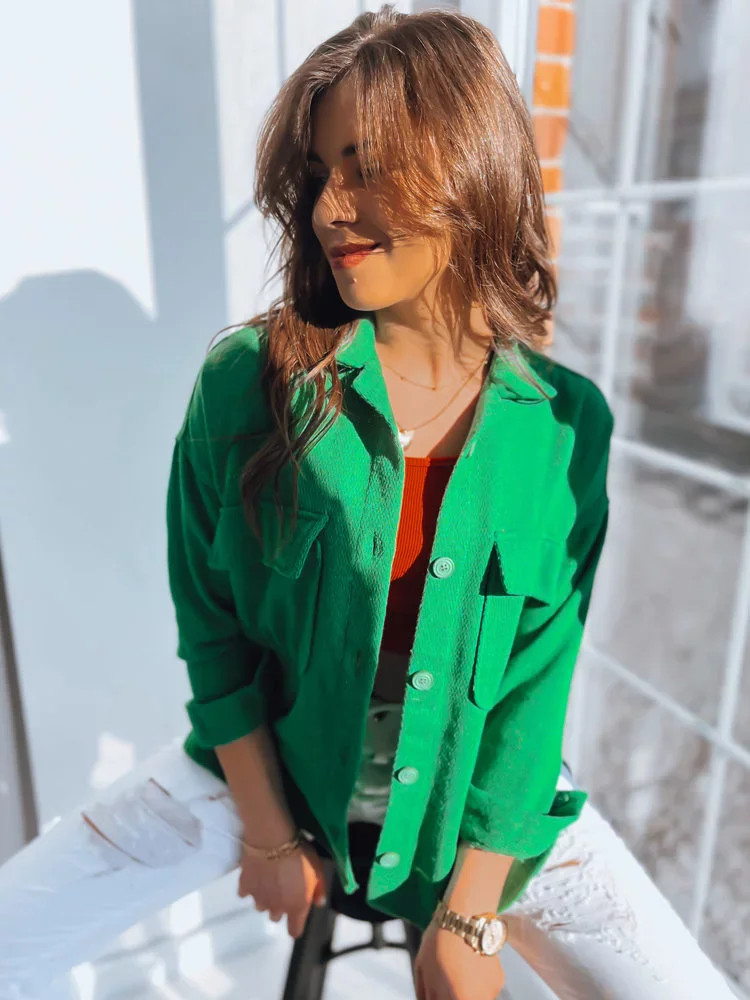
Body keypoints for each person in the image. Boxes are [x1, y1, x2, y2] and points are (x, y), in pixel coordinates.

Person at [0, 6, 737, 1000]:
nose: (328, 209)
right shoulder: (249, 383)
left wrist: (469, 912)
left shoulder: (567, 428)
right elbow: (212, 627)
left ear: (469, 164)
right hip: (273, 763)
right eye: (318, 173)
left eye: (367, 167)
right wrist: (268, 834)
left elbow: (534, 686)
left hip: (477, 796)